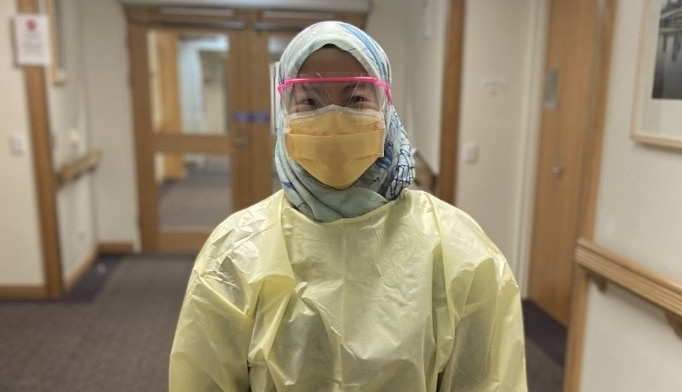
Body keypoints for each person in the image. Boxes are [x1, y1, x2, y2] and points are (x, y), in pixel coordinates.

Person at [169, 21, 527, 391]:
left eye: (356, 99)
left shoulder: (459, 251)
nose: (333, 117)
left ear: (386, 109)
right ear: (284, 114)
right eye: (310, 101)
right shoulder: (235, 253)